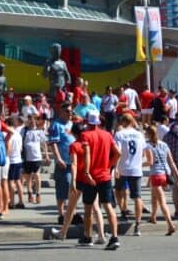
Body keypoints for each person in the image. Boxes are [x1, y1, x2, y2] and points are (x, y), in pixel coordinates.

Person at [81, 111, 121, 249]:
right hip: (104, 175)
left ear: (87, 122)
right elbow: (118, 153)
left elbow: (86, 153)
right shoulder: (107, 135)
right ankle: (115, 237)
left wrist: (86, 171)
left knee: (88, 207)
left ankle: (88, 236)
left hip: (91, 176)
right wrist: (109, 165)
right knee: (108, 205)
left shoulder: (85, 135)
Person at [144, 124, 178, 236]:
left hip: (156, 174)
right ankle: (153, 217)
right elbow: (171, 162)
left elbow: (150, 162)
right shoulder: (164, 145)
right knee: (154, 195)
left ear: (149, 134)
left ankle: (170, 225)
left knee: (162, 201)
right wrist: (177, 175)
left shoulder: (147, 146)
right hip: (166, 174)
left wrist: (140, 164)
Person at [114, 113, 146, 235]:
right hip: (136, 168)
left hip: (123, 167)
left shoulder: (119, 134)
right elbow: (143, 152)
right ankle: (137, 224)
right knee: (137, 197)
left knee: (118, 190)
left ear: (122, 122)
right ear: (132, 122)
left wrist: (115, 168)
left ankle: (123, 210)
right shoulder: (139, 135)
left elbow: (117, 152)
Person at [48, 103, 75, 223]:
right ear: (62, 112)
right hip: (63, 161)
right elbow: (53, 143)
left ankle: (71, 213)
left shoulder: (72, 124)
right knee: (62, 188)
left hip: (73, 161)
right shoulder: (56, 125)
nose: (70, 114)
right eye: (68, 111)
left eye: (71, 111)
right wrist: (58, 158)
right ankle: (61, 213)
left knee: (72, 188)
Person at [21, 114, 47, 205]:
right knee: (28, 177)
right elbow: (20, 141)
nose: (31, 121)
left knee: (36, 175)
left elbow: (44, 143)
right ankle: (29, 193)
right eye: (30, 120)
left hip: (37, 157)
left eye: (33, 120)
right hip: (27, 157)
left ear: (36, 120)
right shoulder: (24, 130)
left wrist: (46, 155)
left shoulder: (39, 131)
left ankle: (38, 193)